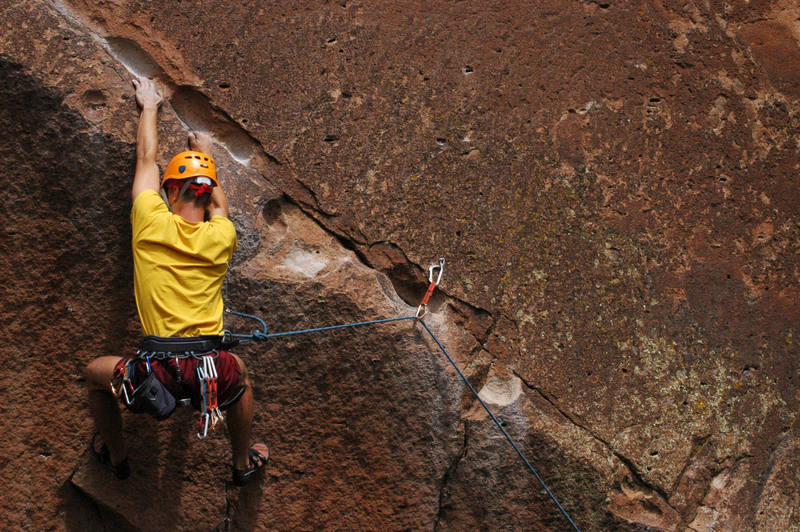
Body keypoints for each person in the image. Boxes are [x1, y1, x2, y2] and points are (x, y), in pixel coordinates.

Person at [85, 76, 268, 485]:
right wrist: (206, 156)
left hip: (156, 374)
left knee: (95, 374)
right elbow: (220, 203)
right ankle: (241, 465)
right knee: (239, 373)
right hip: (211, 368)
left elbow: (146, 159)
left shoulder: (149, 221)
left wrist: (149, 105)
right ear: (207, 197)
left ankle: (117, 458)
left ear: (171, 192)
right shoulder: (222, 237)